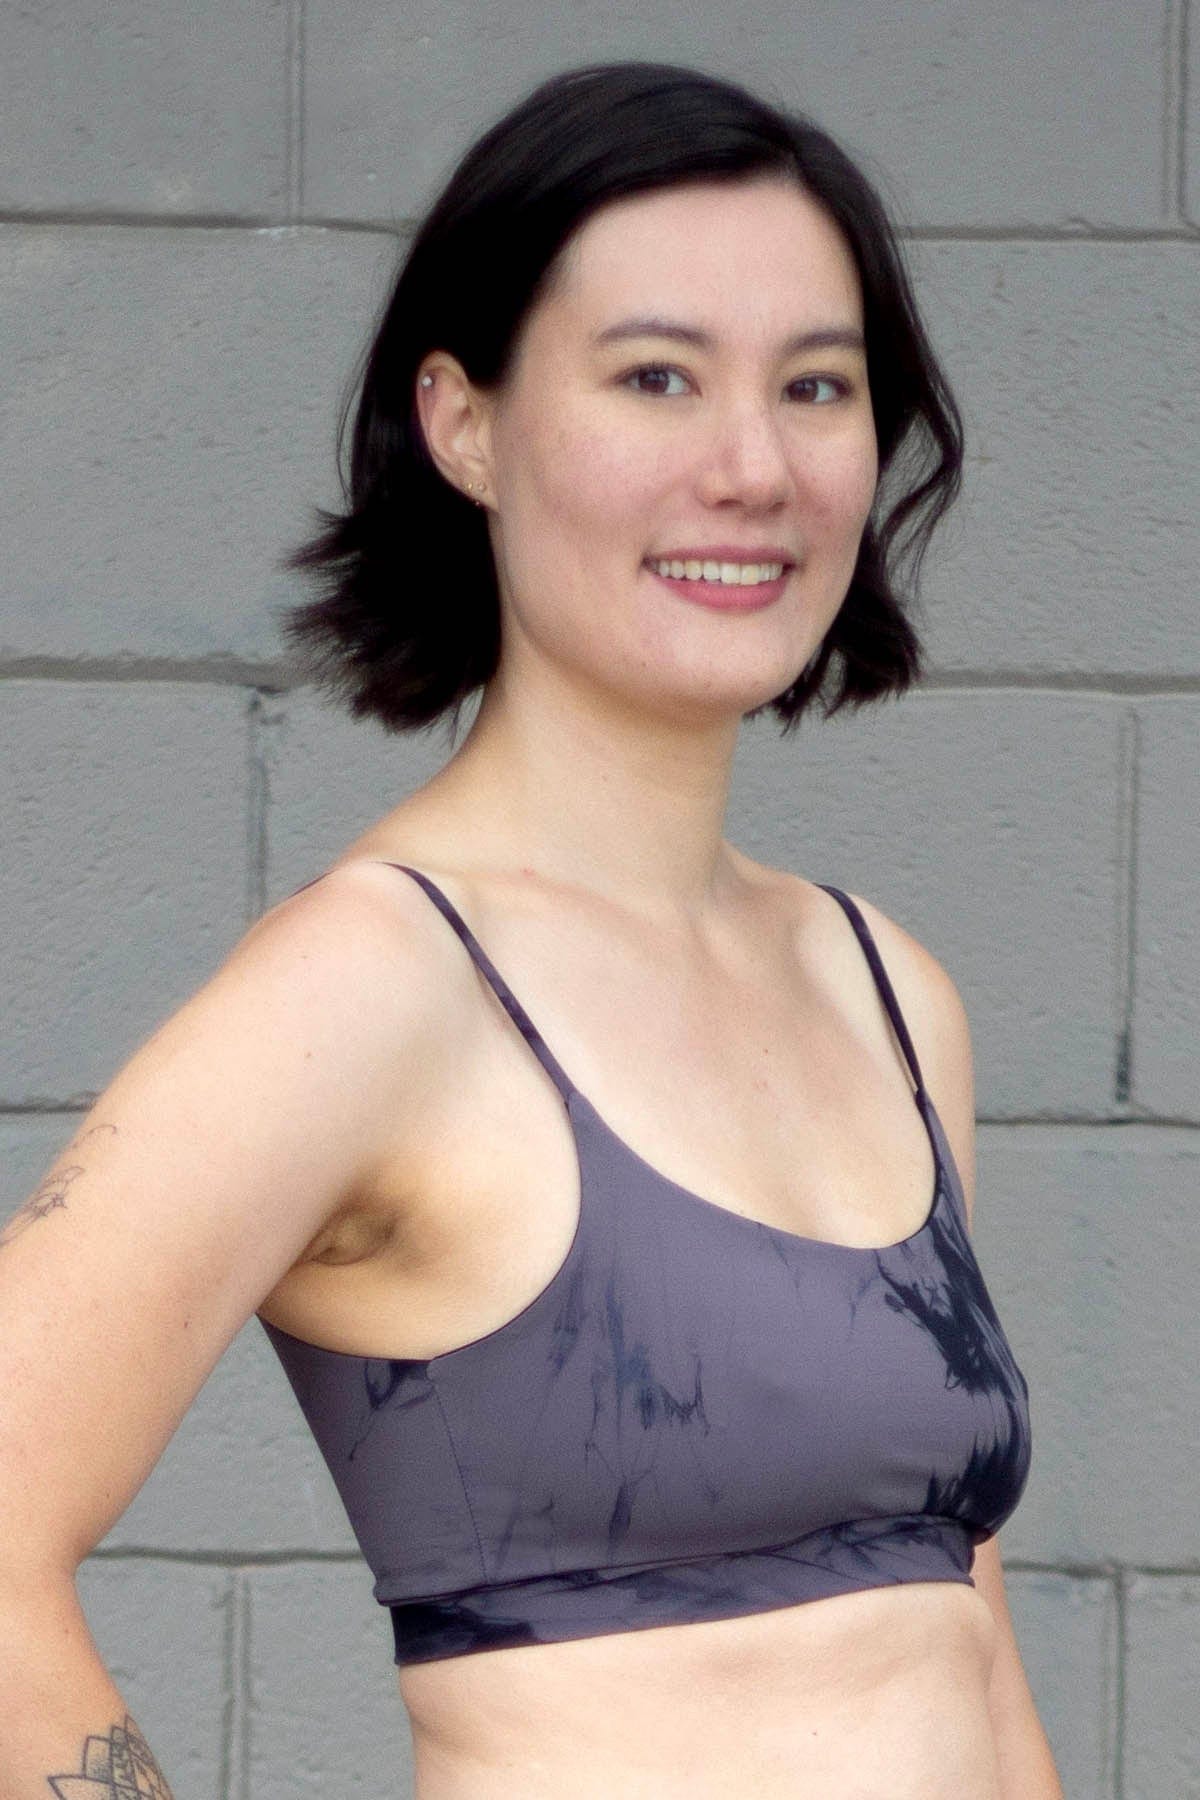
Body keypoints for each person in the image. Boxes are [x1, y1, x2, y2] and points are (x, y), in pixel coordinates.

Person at [0, 60, 1063, 1799]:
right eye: (657, 378)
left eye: (818, 385)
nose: (752, 465)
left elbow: (971, 1650)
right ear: (464, 421)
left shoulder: (886, 990)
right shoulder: (372, 986)